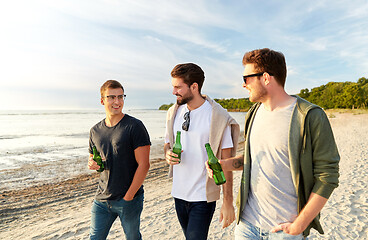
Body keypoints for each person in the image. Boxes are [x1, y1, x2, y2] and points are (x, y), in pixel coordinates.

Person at [207, 48, 340, 239]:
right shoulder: (253, 113)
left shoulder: (310, 116)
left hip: (284, 230)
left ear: (266, 78)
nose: (243, 85)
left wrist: (299, 225)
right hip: (247, 225)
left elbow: (328, 175)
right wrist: (225, 164)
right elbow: (255, 158)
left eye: (246, 79)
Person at [164, 63, 240, 240]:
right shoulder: (173, 113)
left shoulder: (218, 117)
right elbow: (168, 145)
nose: (174, 91)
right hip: (178, 194)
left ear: (194, 87)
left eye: (177, 87)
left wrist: (227, 201)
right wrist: (168, 154)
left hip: (202, 197)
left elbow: (226, 161)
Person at [88, 80, 151, 240]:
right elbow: (93, 156)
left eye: (120, 97)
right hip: (102, 197)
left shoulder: (134, 126)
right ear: (102, 100)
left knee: (132, 237)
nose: (117, 102)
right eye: (111, 97)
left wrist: (128, 196)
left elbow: (144, 165)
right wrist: (92, 163)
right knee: (95, 237)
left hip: (128, 199)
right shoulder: (95, 130)